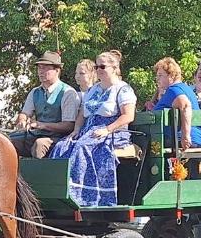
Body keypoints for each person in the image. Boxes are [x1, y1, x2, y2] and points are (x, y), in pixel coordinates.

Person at [49, 50, 136, 206]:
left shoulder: (123, 89)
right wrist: (75, 130)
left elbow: (128, 116)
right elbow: (82, 114)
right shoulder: (92, 90)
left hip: (114, 131)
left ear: (114, 67)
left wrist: (107, 130)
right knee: (63, 146)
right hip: (88, 130)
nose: (98, 70)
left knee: (82, 148)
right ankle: (57, 194)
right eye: (96, 67)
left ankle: (84, 196)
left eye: (102, 67)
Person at [10, 51, 79, 158]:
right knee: (8, 141)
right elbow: (24, 113)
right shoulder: (35, 92)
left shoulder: (68, 93)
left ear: (57, 70)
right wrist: (22, 120)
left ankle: (36, 174)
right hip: (36, 135)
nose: (40, 71)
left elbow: (69, 126)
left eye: (45, 68)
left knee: (40, 144)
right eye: (39, 68)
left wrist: (42, 125)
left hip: (59, 139)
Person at [152, 57, 201, 149]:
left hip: (179, 141)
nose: (157, 79)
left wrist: (185, 136)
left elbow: (185, 105)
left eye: (160, 75)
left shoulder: (174, 90)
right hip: (196, 139)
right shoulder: (186, 88)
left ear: (171, 76)